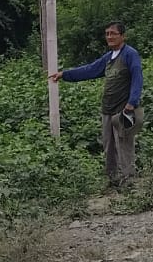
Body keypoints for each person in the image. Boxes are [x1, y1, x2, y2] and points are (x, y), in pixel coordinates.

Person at [50, 21, 143, 187]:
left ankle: (128, 181)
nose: (109, 37)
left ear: (122, 36)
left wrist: (131, 103)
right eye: (107, 34)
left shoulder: (130, 54)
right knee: (109, 146)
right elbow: (90, 70)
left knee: (124, 145)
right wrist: (65, 74)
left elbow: (137, 78)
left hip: (124, 109)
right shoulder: (108, 58)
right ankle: (113, 180)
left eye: (113, 33)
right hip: (107, 109)